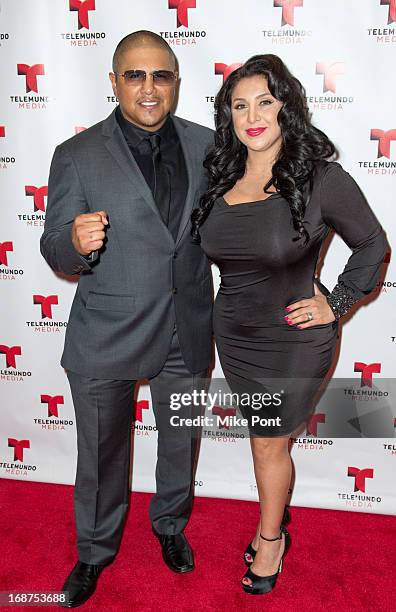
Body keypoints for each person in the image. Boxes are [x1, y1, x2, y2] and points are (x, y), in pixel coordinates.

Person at [193, 54, 387, 595]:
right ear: (227, 115)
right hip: (233, 334)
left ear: (286, 109)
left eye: (265, 102)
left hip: (295, 339)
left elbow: (372, 243)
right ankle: (276, 522)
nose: (252, 115)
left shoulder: (321, 178)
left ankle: (271, 537)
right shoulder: (220, 176)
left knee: (267, 443)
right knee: (263, 439)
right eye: (240, 105)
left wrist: (339, 300)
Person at [40, 31, 214, 608]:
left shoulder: (209, 147)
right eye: (135, 75)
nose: (148, 88)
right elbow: (53, 249)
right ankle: (93, 553)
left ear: (175, 84)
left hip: (186, 325)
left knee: (180, 441)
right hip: (106, 331)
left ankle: (170, 525)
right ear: (114, 82)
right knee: (101, 453)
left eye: (160, 75)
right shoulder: (78, 154)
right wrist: (73, 241)